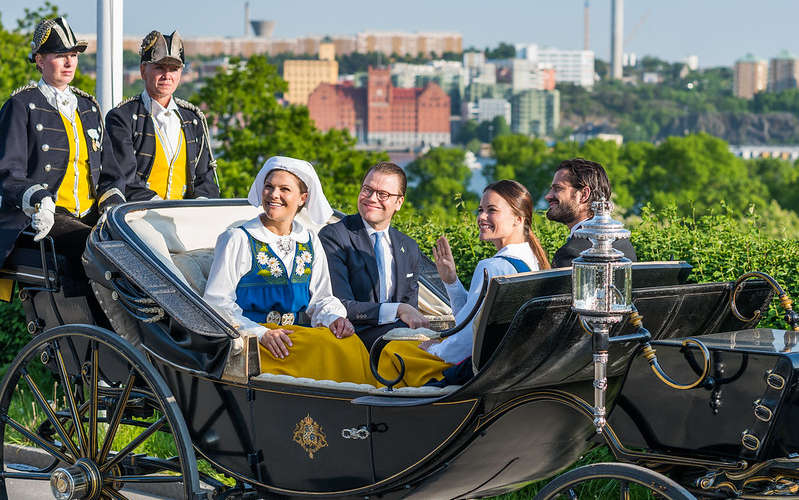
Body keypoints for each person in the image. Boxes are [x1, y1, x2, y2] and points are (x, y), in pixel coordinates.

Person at [203, 156, 375, 384]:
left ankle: (362, 410)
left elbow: (322, 298)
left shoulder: (310, 241)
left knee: (350, 344)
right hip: (256, 343)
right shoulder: (238, 239)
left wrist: (335, 318)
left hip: (296, 336)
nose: (274, 195)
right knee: (324, 348)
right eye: (269, 187)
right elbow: (216, 303)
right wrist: (261, 334)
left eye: (284, 189)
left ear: (303, 198)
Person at [377, 180, 550, 387]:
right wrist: (451, 281)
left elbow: (468, 338)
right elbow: (471, 322)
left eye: (491, 210)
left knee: (391, 350)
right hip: (508, 371)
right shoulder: (535, 262)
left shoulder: (492, 267)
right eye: (480, 210)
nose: (481, 217)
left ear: (518, 219)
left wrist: (433, 348)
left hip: (475, 375)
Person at [0, 16, 125, 298]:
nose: (69, 63)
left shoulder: (88, 107)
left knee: (136, 246)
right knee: (92, 246)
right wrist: (38, 198)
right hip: (44, 216)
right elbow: (8, 173)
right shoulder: (22, 105)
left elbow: (110, 174)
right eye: (60, 56)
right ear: (39, 60)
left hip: (90, 216)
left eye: (73, 55)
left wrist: (112, 206)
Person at [318, 162, 429, 349]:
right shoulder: (334, 236)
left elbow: (410, 308)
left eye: (383, 194)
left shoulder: (408, 246)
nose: (372, 198)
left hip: (401, 336)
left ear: (399, 202)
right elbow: (340, 304)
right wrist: (397, 310)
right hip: (353, 336)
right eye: (367, 189)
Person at [105, 30, 218, 202]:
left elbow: (206, 180)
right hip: (139, 214)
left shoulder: (193, 119)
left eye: (174, 69)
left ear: (180, 73)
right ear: (143, 70)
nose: (167, 76)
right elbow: (124, 179)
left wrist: (200, 206)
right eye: (159, 67)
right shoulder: (122, 117)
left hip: (186, 218)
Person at [544, 158, 637, 268]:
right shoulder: (624, 245)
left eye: (558, 188)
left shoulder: (571, 253)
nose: (548, 196)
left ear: (583, 195)